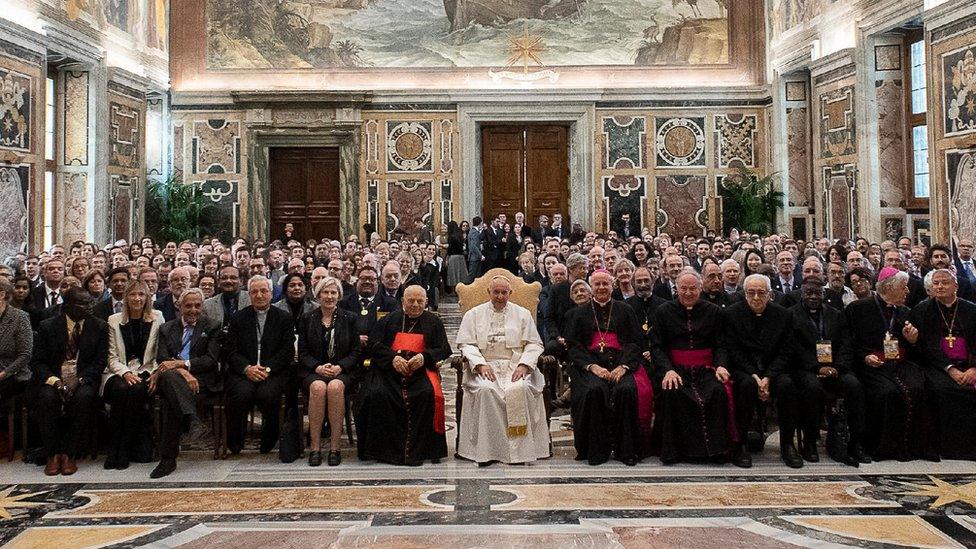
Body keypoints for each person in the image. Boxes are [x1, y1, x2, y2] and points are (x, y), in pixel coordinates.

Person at [456, 276, 549, 465]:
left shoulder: (523, 314)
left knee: (520, 388)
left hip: (515, 366)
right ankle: (488, 451)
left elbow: (534, 343)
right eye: (496, 292)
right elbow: (466, 343)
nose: (500, 296)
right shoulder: (473, 315)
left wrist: (524, 365)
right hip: (484, 366)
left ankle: (520, 452)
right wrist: (480, 364)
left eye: (504, 292)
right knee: (485, 390)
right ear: (488, 292)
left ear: (510, 293)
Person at [846, 267, 936, 461]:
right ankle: (883, 448)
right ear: (890, 287)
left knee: (918, 386)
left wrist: (912, 340)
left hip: (900, 363)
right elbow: (849, 342)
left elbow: (917, 350)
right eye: (904, 287)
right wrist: (865, 356)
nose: (908, 292)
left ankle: (911, 447)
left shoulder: (906, 312)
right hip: (871, 365)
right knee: (887, 392)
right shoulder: (858, 308)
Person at [355, 285, 452, 466]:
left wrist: (424, 357)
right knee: (376, 394)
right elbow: (373, 344)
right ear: (402, 301)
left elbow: (444, 348)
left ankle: (419, 451)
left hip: (420, 371)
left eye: (419, 301)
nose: (415, 305)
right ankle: (384, 451)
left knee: (425, 394)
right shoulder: (389, 320)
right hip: (389, 371)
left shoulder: (433, 321)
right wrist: (393, 358)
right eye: (411, 301)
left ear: (426, 302)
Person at [651, 270, 735, 465]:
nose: (688, 293)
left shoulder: (713, 311)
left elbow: (722, 345)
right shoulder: (663, 312)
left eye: (693, 288)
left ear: (700, 289)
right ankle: (676, 451)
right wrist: (667, 370)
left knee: (717, 391)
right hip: (676, 369)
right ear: (676, 289)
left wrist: (721, 365)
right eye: (683, 288)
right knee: (672, 391)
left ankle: (716, 451)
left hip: (706, 368)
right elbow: (656, 347)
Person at [565, 270, 648, 466]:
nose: (601, 288)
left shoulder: (625, 310)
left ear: (613, 286)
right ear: (591, 287)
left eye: (605, 284)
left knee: (626, 390)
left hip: (621, 363)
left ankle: (626, 450)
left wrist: (624, 366)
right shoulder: (578, 314)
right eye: (597, 284)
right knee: (594, 390)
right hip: (590, 366)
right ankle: (596, 451)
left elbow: (635, 342)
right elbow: (573, 346)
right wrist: (592, 367)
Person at [788, 279, 868, 465]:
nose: (814, 297)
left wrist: (838, 367)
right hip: (806, 369)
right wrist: (817, 368)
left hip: (835, 368)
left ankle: (856, 442)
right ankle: (810, 442)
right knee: (812, 388)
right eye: (809, 293)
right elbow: (794, 348)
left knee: (854, 385)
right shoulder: (791, 315)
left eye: (817, 293)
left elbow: (846, 344)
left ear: (823, 295)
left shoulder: (836, 315)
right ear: (802, 294)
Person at [31, 287, 108, 476]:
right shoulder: (47, 326)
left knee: (83, 397)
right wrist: (56, 381)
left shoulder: (99, 326)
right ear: (68, 306)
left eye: (90, 301)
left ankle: (69, 454)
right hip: (53, 378)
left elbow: (99, 362)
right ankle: (52, 454)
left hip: (83, 377)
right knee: (48, 398)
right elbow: (38, 362)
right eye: (83, 303)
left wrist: (79, 380)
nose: (90, 306)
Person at [722, 274, 797, 467]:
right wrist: (755, 376)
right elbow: (733, 350)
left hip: (775, 369)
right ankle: (742, 444)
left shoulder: (784, 315)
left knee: (787, 385)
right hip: (745, 370)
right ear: (744, 294)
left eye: (761, 293)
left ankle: (787, 444)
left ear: (770, 295)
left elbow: (786, 351)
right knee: (746, 385)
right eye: (751, 293)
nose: (756, 297)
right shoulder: (732, 314)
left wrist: (769, 377)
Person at [151, 287, 220, 478]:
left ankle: (168, 459)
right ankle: (192, 418)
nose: (193, 310)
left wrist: (182, 364)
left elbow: (210, 360)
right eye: (188, 305)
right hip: (176, 378)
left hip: (202, 380)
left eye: (197, 306)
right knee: (171, 379)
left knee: (172, 402)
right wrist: (184, 372)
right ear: (179, 306)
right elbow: (162, 359)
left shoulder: (212, 326)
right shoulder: (166, 328)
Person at [224, 276, 296, 455]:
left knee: (268, 394)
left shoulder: (284, 318)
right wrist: (247, 368)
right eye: (255, 292)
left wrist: (268, 369)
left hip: (272, 371)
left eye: (264, 291)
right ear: (249, 295)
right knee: (241, 394)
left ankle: (269, 441)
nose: (259, 295)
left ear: (271, 294)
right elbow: (229, 351)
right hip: (244, 372)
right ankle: (235, 442)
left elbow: (287, 350)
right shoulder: (238, 318)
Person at [910, 269, 976, 460]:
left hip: (969, 364)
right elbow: (926, 347)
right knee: (941, 389)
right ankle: (948, 448)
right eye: (936, 283)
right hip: (937, 366)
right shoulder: (922, 310)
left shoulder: (971, 309)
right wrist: (950, 369)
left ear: (955, 286)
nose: (939, 287)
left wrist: (973, 368)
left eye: (944, 283)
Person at [102, 280, 165, 469]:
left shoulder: (158, 317)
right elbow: (111, 357)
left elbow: (158, 353)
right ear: (125, 297)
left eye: (141, 295)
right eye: (132, 294)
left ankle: (123, 447)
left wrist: (155, 372)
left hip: (147, 370)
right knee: (122, 389)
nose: (137, 298)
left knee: (136, 389)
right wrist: (125, 372)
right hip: (117, 371)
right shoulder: (113, 320)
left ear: (147, 298)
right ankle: (117, 446)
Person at [299, 277, 361, 467]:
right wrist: (317, 367)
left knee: (334, 387)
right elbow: (302, 351)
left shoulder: (350, 318)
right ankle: (315, 447)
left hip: (342, 369)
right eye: (325, 292)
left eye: (333, 292)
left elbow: (356, 350)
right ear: (318, 295)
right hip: (313, 369)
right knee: (318, 388)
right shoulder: (307, 318)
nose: (329, 296)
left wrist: (340, 367)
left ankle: (335, 447)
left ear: (339, 295)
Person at [339, 265, 399, 348]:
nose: (367, 282)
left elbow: (392, 332)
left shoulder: (390, 304)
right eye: (363, 278)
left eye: (371, 279)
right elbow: (339, 330)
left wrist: (371, 340)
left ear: (378, 282)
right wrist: (355, 339)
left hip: (377, 352)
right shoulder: (343, 303)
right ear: (357, 281)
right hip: (349, 351)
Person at [0, 277, 32, 405]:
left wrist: (3, 374)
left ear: (1, 295)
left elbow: (25, 355)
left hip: (13, 373)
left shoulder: (20, 318)